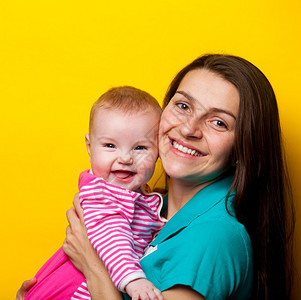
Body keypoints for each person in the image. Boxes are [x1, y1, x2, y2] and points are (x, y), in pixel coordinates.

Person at [17, 54, 295, 300]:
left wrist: (92, 263)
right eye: (184, 106)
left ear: (243, 147)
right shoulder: (146, 202)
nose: (188, 129)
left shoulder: (214, 235)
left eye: (218, 122)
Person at [23, 86, 165, 300]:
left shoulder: (141, 196)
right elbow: (111, 235)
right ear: (90, 147)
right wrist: (133, 280)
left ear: (158, 153)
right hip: (72, 291)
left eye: (140, 148)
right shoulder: (99, 193)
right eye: (110, 145)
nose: (125, 158)